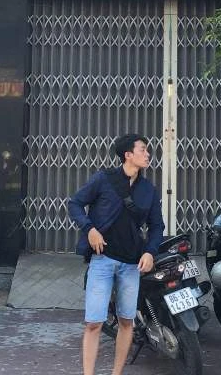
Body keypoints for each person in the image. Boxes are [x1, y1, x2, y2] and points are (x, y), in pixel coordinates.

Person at [68, 133, 164, 375]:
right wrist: (90, 229)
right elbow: (75, 203)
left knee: (126, 321)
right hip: (102, 260)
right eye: (143, 149)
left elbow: (156, 226)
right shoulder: (104, 179)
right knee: (94, 323)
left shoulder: (148, 190)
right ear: (128, 155)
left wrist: (150, 252)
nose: (148, 154)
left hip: (131, 263)